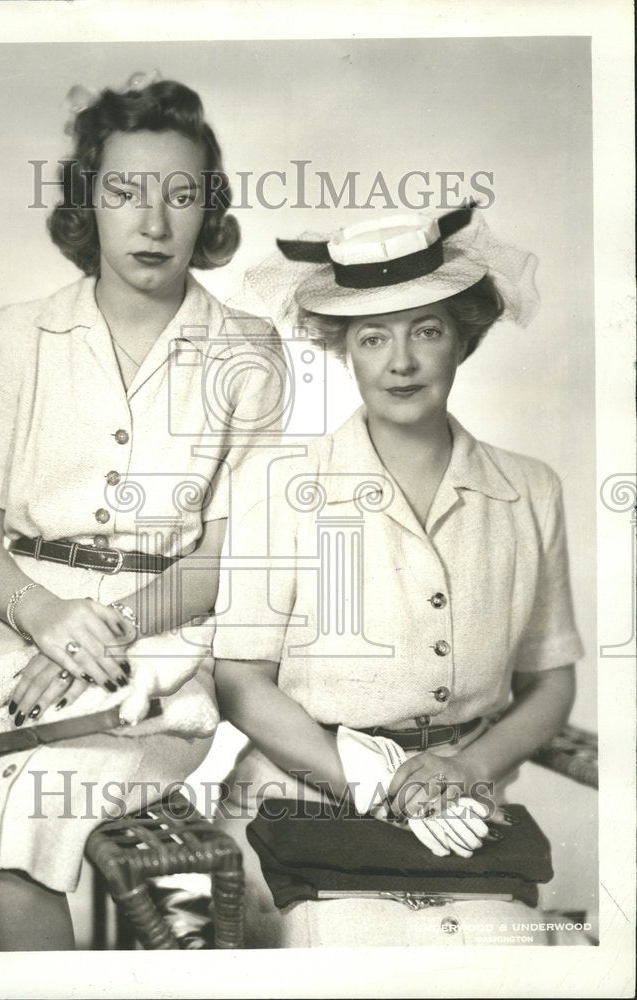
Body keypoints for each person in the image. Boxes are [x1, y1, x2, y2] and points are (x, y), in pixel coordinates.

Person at [0, 72, 283, 951]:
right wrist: (43, 617)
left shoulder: (250, 349)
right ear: (89, 202)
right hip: (13, 654)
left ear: (208, 210)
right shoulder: (20, 332)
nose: (153, 224)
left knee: (17, 841)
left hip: (158, 668)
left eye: (180, 196)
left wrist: (100, 634)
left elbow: (231, 555)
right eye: (125, 192)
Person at [212, 205, 583, 946]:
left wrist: (467, 766)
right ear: (343, 347)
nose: (400, 362)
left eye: (427, 331)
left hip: (465, 811)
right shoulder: (279, 483)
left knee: (502, 960)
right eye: (373, 337)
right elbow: (239, 681)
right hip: (300, 806)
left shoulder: (529, 489)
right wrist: (374, 783)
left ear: (462, 340)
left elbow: (551, 683)